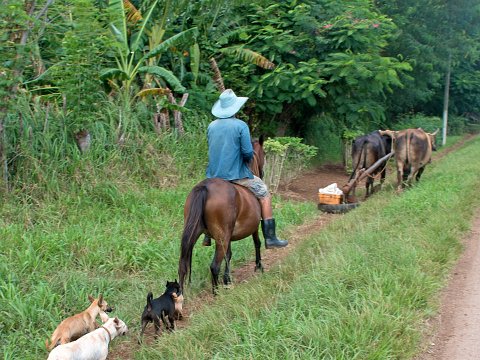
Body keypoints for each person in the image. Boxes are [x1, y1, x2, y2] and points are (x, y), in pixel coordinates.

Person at [203, 89, 288, 249]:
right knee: (264, 193)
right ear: (235, 108)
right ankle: (270, 238)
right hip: (236, 175)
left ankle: (207, 234)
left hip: (213, 177)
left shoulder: (211, 126)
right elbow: (248, 152)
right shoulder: (241, 125)